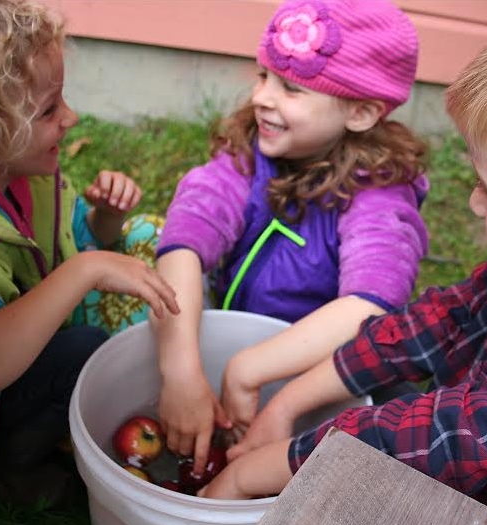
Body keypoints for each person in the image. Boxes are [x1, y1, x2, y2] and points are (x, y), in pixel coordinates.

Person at [198, 16, 487, 525]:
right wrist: (285, 403)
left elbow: (423, 436)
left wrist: (249, 475)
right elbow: (428, 326)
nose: (471, 201)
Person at [152, 0, 429, 476]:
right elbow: (185, 240)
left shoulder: (380, 193)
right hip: (234, 337)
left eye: (290, 88)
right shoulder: (247, 158)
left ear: (361, 112)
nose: (261, 97)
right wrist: (180, 371)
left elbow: (371, 304)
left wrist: (248, 368)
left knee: (400, 416)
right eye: (263, 76)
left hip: (323, 370)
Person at [0, 0, 179, 507]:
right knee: (83, 348)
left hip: (34, 344)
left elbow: (78, 239)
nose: (71, 118)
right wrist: (86, 268)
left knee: (144, 238)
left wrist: (107, 219)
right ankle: (13, 471)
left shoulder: (24, 177)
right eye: (48, 110)